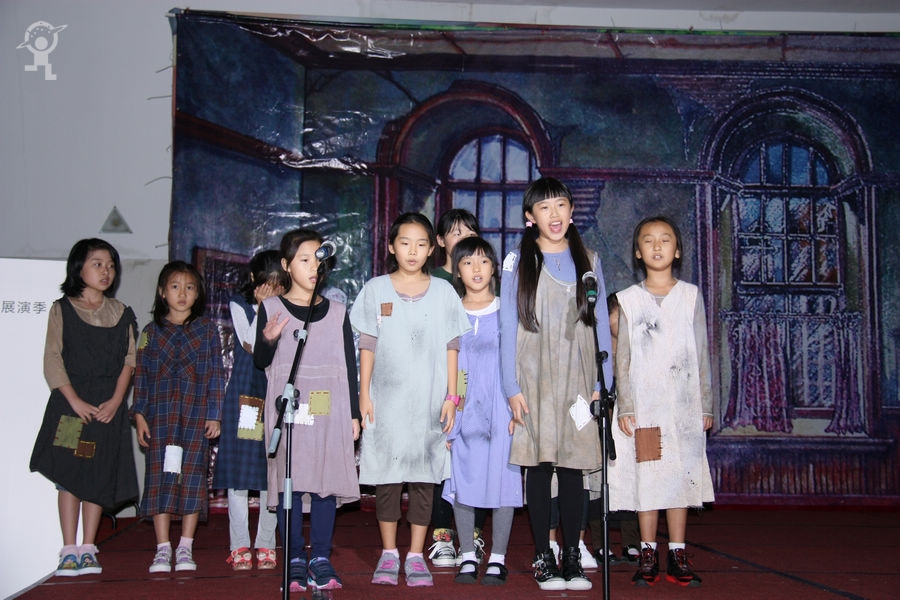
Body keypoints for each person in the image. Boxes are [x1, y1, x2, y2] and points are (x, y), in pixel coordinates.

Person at [500, 177, 613, 592]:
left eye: (561, 205)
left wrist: (603, 382)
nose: (554, 214)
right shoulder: (517, 261)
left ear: (571, 211)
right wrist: (511, 386)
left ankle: (571, 556)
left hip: (578, 379)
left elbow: (601, 324)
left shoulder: (589, 259)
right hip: (533, 379)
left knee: (572, 467)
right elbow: (506, 325)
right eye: (544, 207)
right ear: (530, 217)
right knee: (539, 465)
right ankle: (543, 556)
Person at [350, 212, 470, 587]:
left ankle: (416, 556)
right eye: (405, 243)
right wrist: (363, 395)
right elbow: (367, 345)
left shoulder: (444, 292)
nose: (413, 251)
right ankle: (389, 553)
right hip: (385, 403)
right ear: (392, 247)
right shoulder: (375, 290)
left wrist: (451, 396)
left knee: (424, 479)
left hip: (430, 403)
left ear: (432, 248)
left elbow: (453, 347)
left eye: (421, 244)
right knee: (386, 480)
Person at [607, 215, 715, 587]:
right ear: (638, 252)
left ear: (677, 250)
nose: (657, 246)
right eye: (648, 240)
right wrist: (626, 406)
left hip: (682, 411)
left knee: (680, 480)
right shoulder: (629, 300)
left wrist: (705, 404)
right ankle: (648, 552)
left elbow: (701, 352)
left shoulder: (690, 296)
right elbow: (623, 360)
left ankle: (678, 553)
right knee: (649, 478)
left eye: (665, 239)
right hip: (646, 413)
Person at [254, 229, 361, 592]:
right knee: (290, 481)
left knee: (324, 483)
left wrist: (353, 414)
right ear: (286, 265)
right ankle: (295, 557)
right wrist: (268, 339)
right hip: (288, 407)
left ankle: (321, 557)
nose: (313, 266)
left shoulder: (338, 312)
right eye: (303, 259)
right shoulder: (271, 308)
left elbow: (348, 366)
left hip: (327, 405)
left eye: (318, 258)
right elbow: (261, 361)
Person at [30, 238, 139, 577]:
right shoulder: (61, 309)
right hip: (70, 407)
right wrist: (74, 400)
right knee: (68, 475)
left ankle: (89, 548)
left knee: (98, 473)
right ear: (79, 268)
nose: (106, 271)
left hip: (108, 407)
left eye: (111, 265)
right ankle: (68, 550)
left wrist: (117, 401)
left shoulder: (121, 312)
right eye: (97, 264)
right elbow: (52, 358)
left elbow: (130, 361)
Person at [133, 261, 225, 574]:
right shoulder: (150, 333)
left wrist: (214, 414)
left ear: (198, 294)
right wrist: (140, 414)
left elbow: (216, 374)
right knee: (160, 479)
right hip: (160, 418)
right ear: (162, 292)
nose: (182, 293)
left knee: (193, 478)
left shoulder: (207, 330)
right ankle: (162, 547)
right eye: (175, 287)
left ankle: (185, 546)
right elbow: (141, 376)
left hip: (195, 417)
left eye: (189, 287)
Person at [442, 237, 523, 586]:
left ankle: (498, 558)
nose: (476, 269)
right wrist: (451, 413)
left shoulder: (508, 310)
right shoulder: (451, 313)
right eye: (467, 262)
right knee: (463, 478)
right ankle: (467, 555)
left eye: (484, 261)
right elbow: (449, 370)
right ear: (457, 271)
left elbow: (520, 363)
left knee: (504, 480)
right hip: (464, 410)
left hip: (502, 411)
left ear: (494, 269)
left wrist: (517, 409)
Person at [212, 251, 286, 571]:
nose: (275, 290)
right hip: (248, 397)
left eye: (280, 284)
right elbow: (251, 345)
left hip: (276, 395)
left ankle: (266, 542)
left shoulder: (289, 307)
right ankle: (240, 543)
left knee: (272, 469)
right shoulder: (239, 305)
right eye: (270, 283)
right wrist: (263, 308)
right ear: (255, 279)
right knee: (240, 474)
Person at [428, 208, 487, 568]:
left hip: (478, 384)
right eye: (455, 232)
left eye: (470, 231)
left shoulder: (484, 280)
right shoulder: (432, 281)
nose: (463, 237)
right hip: (439, 380)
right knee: (442, 456)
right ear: (440, 241)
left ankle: (474, 534)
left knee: (476, 456)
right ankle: (441, 534)